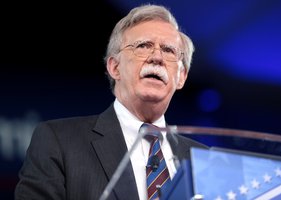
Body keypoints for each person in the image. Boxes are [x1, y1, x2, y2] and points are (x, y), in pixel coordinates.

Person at [15, 4, 207, 200]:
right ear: (114, 67)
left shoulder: (204, 160)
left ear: (181, 77)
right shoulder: (58, 141)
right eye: (143, 46)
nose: (157, 57)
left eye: (168, 50)